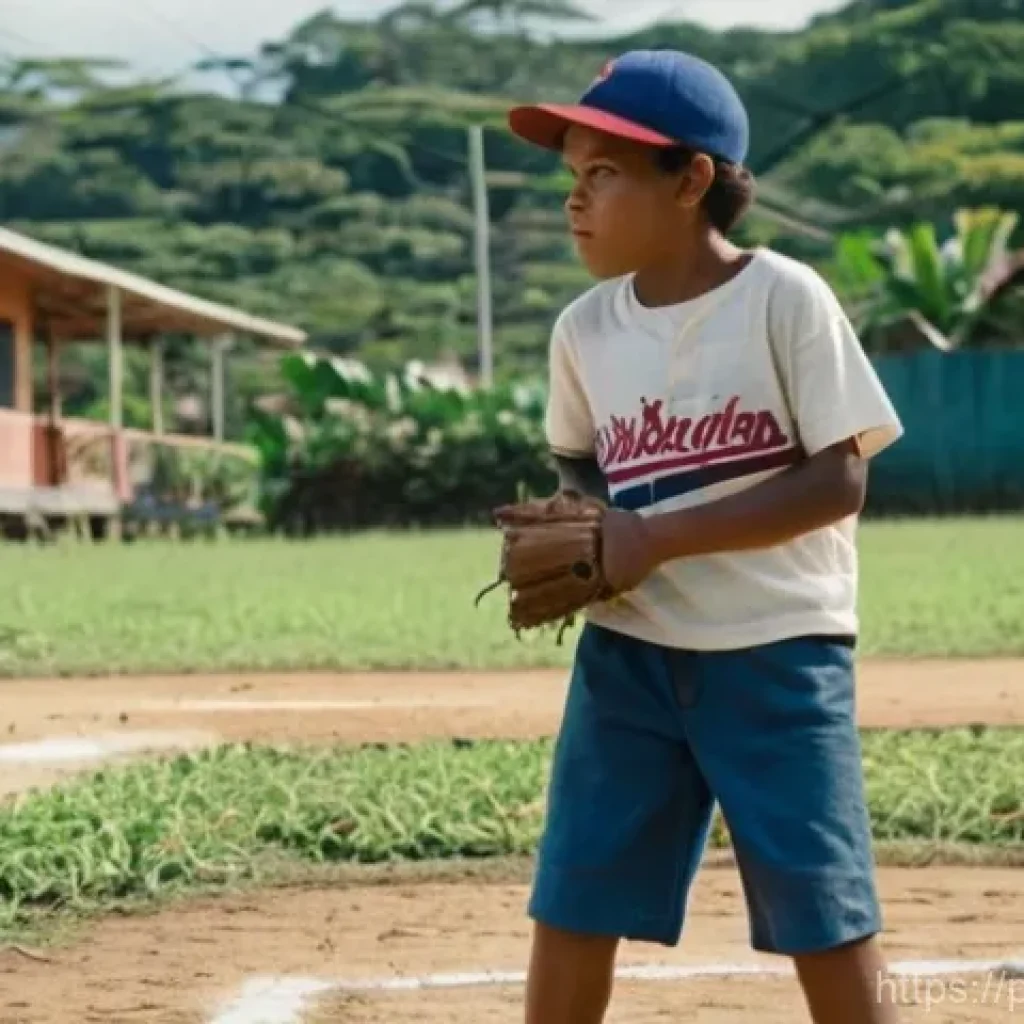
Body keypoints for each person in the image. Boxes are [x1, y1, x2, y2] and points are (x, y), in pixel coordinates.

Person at [505, 49, 905, 1024]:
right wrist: (584, 533)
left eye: (604, 173)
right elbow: (580, 470)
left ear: (689, 180)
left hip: (778, 645)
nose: (575, 201)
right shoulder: (584, 329)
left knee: (822, 904)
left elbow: (837, 477)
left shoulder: (782, 297)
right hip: (631, 651)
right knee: (574, 893)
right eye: (572, 177)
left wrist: (657, 536)